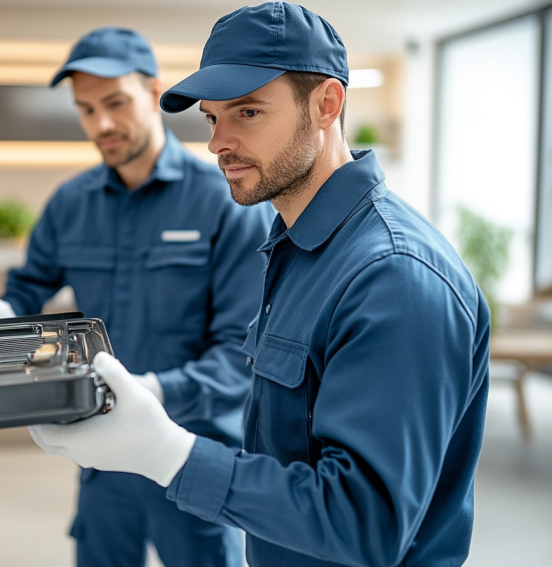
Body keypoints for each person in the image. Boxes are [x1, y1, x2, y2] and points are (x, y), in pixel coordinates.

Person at [29, 4, 491, 567]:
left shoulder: (393, 276)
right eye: (212, 118)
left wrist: (171, 453)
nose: (218, 142)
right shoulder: (295, 250)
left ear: (326, 105)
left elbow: (364, 523)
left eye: (247, 111)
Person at [0, 27, 273, 567]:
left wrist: (147, 391)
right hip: (103, 460)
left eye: (115, 103)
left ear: (153, 94)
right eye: (85, 109)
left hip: (191, 456)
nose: (100, 124)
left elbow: (240, 355)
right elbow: (24, 300)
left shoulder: (226, 201)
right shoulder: (70, 204)